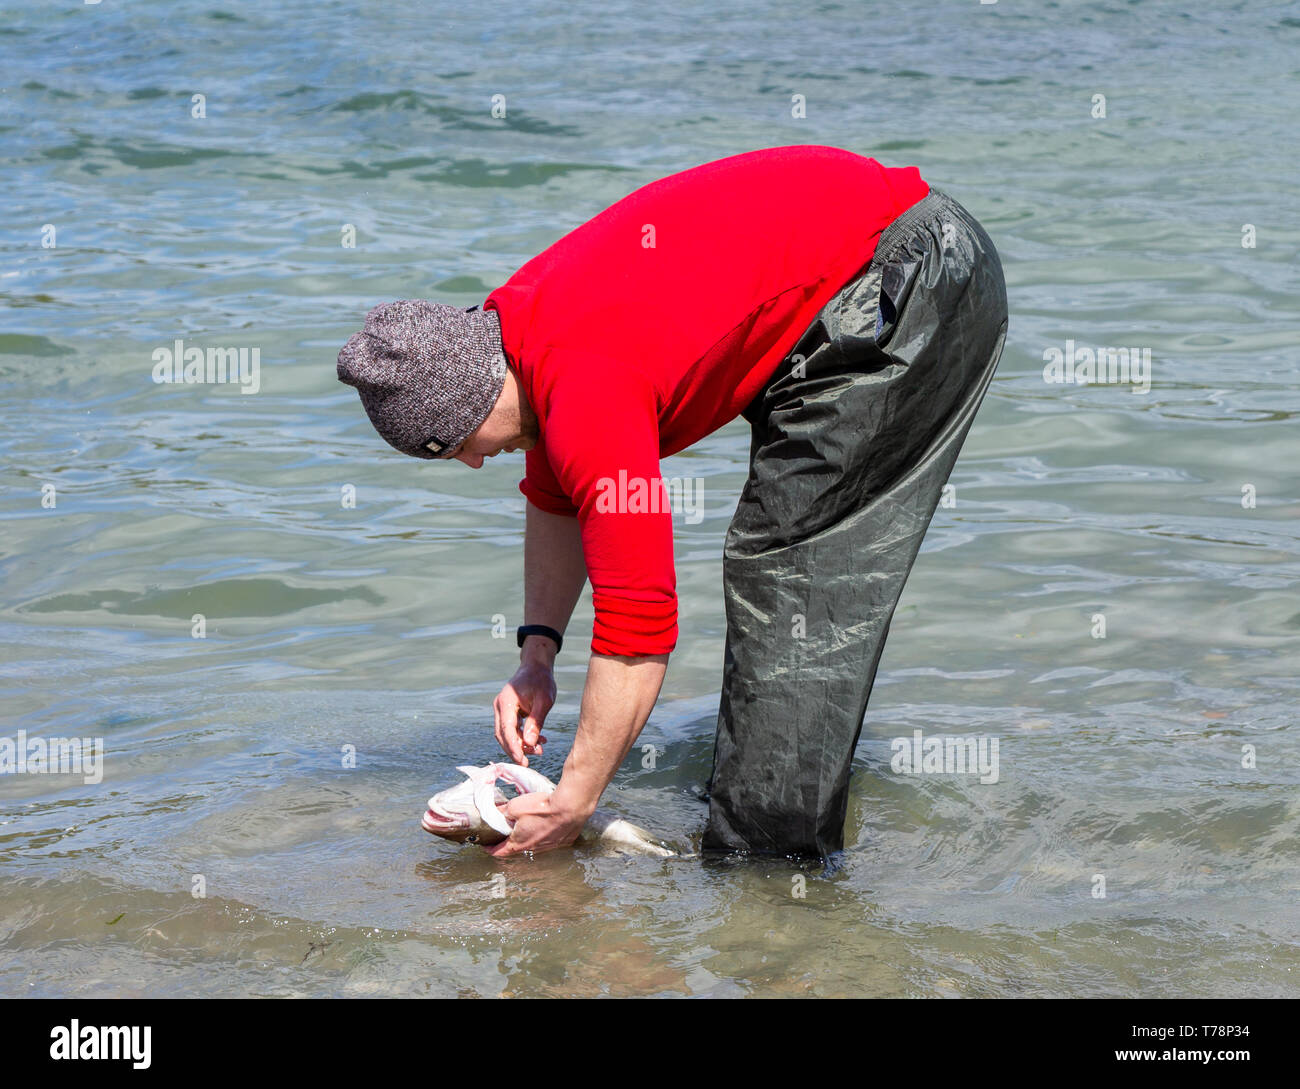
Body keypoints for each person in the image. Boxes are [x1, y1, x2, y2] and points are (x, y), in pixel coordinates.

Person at [336, 145, 1008, 860]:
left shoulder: (585, 381)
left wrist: (574, 800)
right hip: (863, 273)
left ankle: (773, 884)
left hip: (907, 276)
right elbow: (555, 492)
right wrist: (537, 655)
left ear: (468, 396)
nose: (472, 460)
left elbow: (639, 627)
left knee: (785, 572)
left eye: (451, 444)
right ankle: (764, 811)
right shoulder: (519, 336)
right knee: (775, 567)